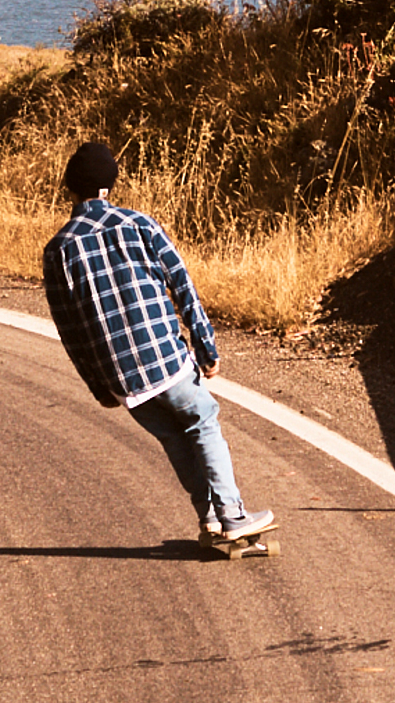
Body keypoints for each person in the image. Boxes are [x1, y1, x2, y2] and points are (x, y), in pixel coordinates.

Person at [41, 138, 274, 549]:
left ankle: (210, 519)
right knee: (203, 421)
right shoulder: (139, 225)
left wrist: (99, 387)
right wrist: (206, 349)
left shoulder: (57, 250)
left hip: (122, 379)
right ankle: (233, 516)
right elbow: (183, 287)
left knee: (173, 438)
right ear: (110, 185)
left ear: (69, 188)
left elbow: (70, 330)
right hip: (165, 358)